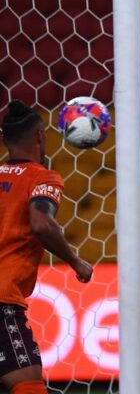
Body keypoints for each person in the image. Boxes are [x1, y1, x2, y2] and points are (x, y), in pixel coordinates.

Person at [0, 100, 93, 394]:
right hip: (2, 298)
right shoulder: (42, 178)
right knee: (28, 383)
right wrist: (75, 261)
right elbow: (41, 223)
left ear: (4, 141)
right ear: (41, 137)